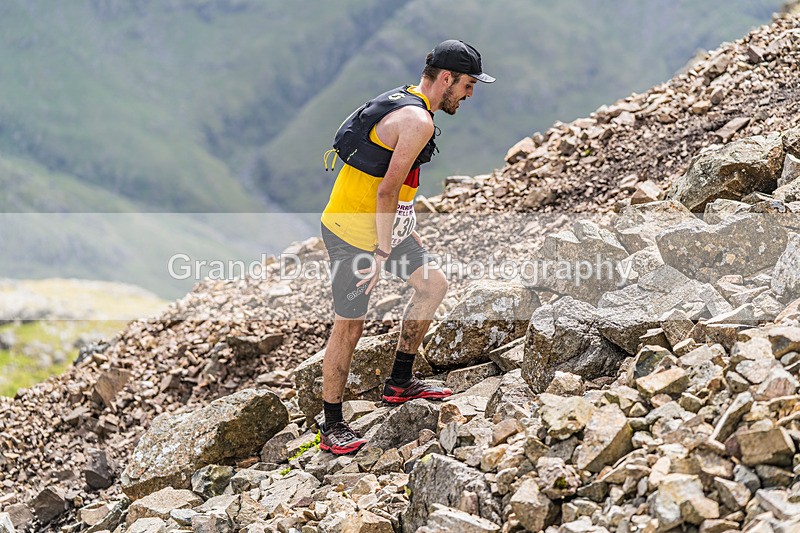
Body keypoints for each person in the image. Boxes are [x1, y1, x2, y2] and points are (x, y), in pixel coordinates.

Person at [318, 40, 495, 455]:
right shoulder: (418, 121)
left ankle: (399, 383)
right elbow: (387, 189)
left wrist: (397, 235)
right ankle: (332, 426)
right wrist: (380, 254)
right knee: (349, 324)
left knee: (433, 286)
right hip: (352, 232)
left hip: (386, 229)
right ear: (447, 78)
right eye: (468, 85)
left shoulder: (407, 101)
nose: (469, 94)